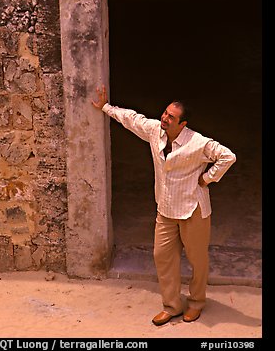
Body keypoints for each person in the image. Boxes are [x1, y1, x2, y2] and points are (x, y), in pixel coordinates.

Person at [92, 85, 236, 325]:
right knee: (162, 256)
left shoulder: (198, 143)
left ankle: (197, 303)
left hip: (193, 210)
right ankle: (172, 305)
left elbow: (227, 156)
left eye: (171, 116)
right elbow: (132, 119)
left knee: (197, 259)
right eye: (165, 113)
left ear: (183, 124)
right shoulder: (154, 131)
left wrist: (208, 178)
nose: (164, 118)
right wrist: (106, 107)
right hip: (166, 209)